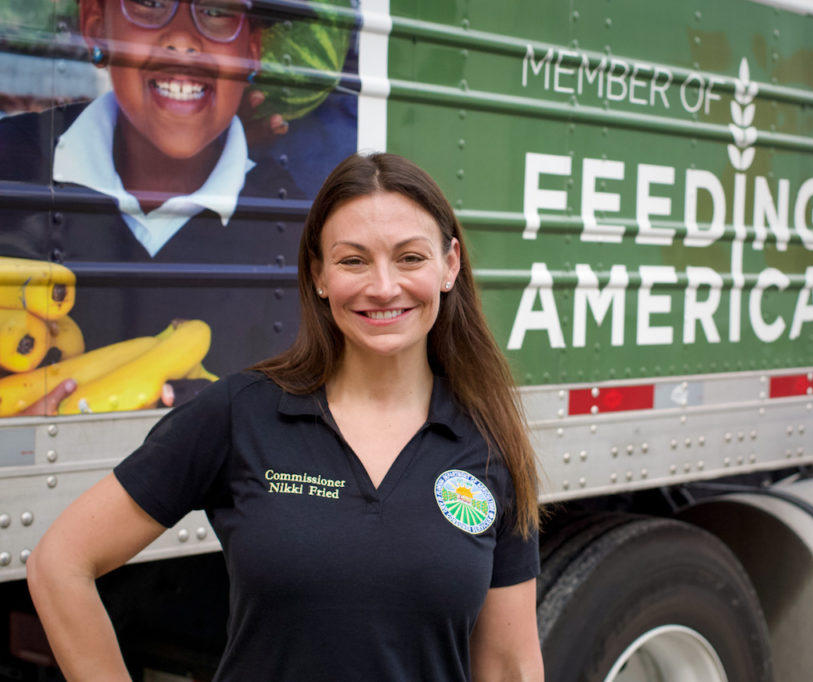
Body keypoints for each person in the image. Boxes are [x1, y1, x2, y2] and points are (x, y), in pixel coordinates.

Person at [27, 152, 545, 681]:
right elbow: (59, 564)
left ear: (449, 265)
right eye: (353, 261)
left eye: (410, 258)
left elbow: (508, 666)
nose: (384, 286)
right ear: (319, 274)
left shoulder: (486, 441)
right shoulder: (242, 412)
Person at [0, 0, 311, 389]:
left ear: (252, 51)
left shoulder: (300, 233)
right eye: (149, 2)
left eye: (216, 10)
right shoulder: (10, 165)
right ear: (96, 26)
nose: (182, 40)